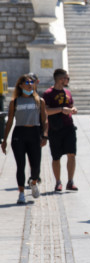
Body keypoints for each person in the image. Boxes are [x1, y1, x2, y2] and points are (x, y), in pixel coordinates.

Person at [1, 74, 48, 204]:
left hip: (34, 133)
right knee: (20, 165)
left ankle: (33, 182)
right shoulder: (15, 102)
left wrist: (45, 135)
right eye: (26, 82)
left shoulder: (40, 100)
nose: (29, 84)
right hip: (19, 134)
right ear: (21, 85)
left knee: (36, 166)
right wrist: (4, 140)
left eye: (31, 82)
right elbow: (9, 122)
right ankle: (21, 193)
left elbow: (45, 120)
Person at [43, 69, 79, 192]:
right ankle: (58, 181)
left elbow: (71, 105)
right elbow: (46, 111)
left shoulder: (68, 92)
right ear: (60, 79)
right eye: (66, 78)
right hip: (55, 129)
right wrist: (61, 109)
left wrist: (73, 109)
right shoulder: (48, 93)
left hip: (69, 127)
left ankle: (70, 181)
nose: (68, 80)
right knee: (56, 157)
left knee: (72, 154)